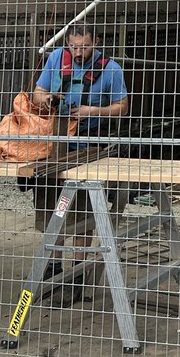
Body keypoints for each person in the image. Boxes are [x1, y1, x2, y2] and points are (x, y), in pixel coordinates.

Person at [29, 23, 129, 301]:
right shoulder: (56, 58)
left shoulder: (111, 69)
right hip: (56, 145)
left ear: (96, 42)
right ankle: (53, 267)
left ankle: (77, 274)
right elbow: (37, 91)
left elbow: (122, 106)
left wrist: (92, 110)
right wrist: (47, 98)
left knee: (82, 216)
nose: (78, 52)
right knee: (51, 209)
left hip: (89, 149)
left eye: (84, 47)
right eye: (73, 46)